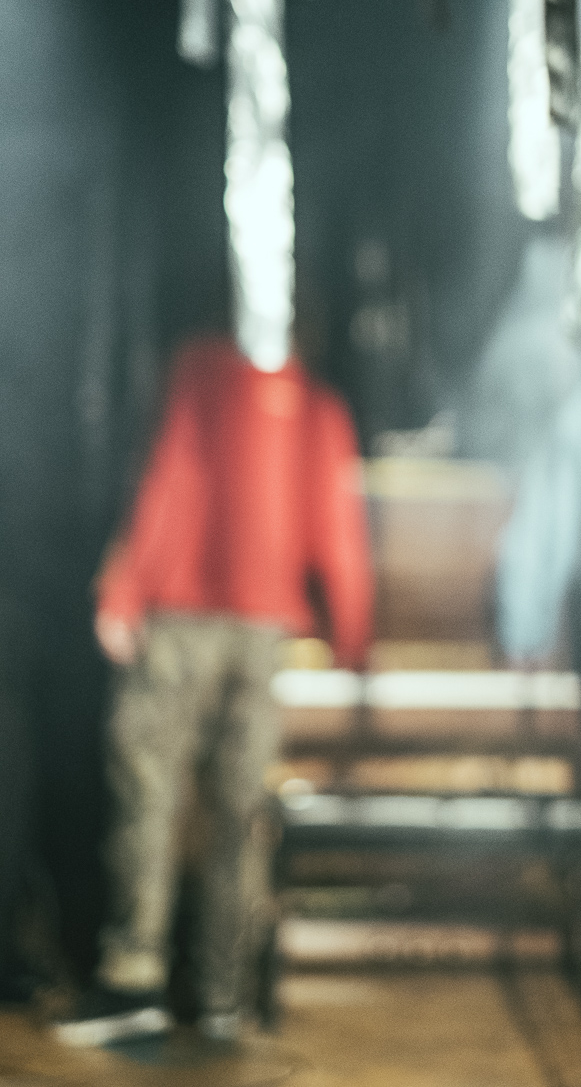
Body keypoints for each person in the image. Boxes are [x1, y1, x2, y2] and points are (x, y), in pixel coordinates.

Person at [52, 333, 373, 1047]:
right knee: (239, 811)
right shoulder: (317, 404)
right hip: (266, 630)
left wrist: (123, 589)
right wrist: (352, 642)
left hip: (183, 614)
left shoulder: (199, 370)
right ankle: (223, 993)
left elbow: (170, 475)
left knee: (148, 791)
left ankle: (134, 978)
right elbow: (338, 525)